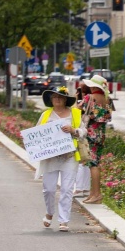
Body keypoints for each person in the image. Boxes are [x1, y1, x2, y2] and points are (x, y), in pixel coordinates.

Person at [36, 86, 83, 231]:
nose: (57, 99)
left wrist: (74, 130)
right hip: (50, 158)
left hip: (69, 156)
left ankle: (64, 220)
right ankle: (49, 212)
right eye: (55, 97)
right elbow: (37, 133)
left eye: (60, 97)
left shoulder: (75, 113)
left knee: (67, 189)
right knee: (49, 189)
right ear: (51, 99)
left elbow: (84, 130)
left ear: (65, 100)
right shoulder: (45, 115)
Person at [80, 76, 113, 205]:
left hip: (90, 134)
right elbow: (108, 117)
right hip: (100, 135)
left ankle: (97, 194)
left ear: (94, 87)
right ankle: (93, 194)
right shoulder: (107, 99)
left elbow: (78, 109)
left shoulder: (89, 98)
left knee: (93, 165)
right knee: (95, 163)